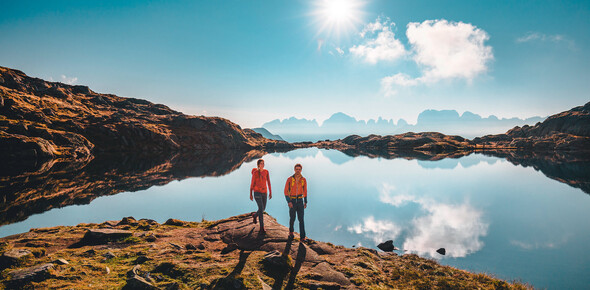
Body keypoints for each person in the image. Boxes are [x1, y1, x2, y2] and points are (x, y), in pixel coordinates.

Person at [284, 163, 307, 241]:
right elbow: (286, 191)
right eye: (296, 169)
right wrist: (289, 201)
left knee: (301, 219)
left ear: (301, 170)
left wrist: (305, 201)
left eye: (299, 169)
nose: (298, 171)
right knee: (292, 218)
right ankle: (291, 232)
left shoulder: (303, 179)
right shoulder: (289, 179)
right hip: (292, 201)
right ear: (294, 170)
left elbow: (305, 191)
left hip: (300, 201)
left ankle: (303, 237)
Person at [250, 159, 272, 233]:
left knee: (263, 209)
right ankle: (262, 227)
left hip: (264, 192)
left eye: (263, 163)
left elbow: (268, 182)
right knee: (261, 208)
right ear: (258, 165)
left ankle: (255, 215)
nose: (262, 165)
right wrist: (250, 194)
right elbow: (252, 184)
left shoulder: (266, 172)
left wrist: (270, 192)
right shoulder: (255, 173)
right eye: (261, 163)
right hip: (257, 192)